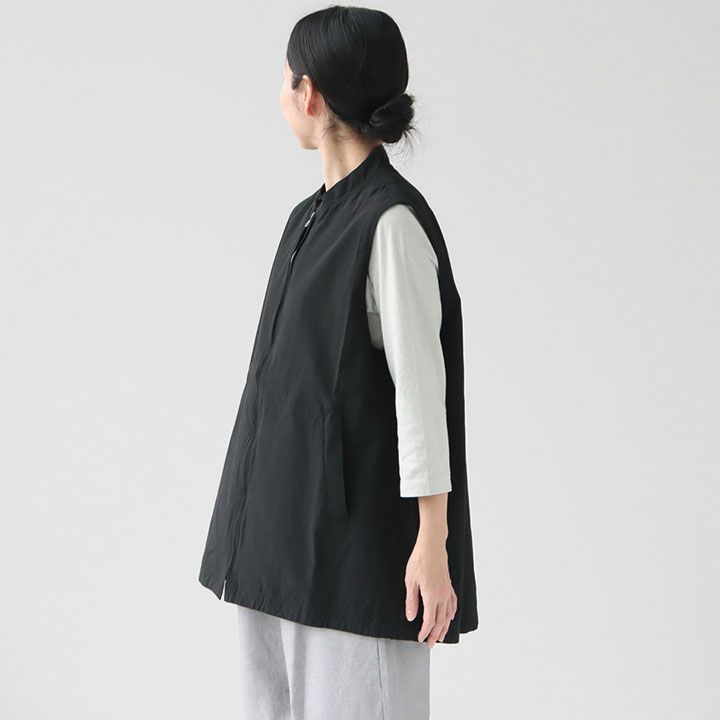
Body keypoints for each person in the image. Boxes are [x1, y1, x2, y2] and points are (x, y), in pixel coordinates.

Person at [198, 6, 478, 719]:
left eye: (286, 81)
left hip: (355, 546)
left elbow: (423, 397)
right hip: (273, 536)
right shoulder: (308, 218)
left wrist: (433, 541)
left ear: (311, 94)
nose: (281, 95)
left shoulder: (391, 223)